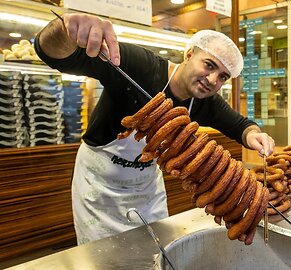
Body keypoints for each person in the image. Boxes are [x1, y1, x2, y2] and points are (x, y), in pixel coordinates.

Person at [34, 13, 275, 244]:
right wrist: (64, 31)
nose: (213, 80)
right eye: (209, 65)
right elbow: (57, 56)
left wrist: (255, 135)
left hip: (146, 186)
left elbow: (240, 126)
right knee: (103, 258)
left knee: (156, 250)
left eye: (223, 77)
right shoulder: (140, 66)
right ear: (189, 54)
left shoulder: (203, 99)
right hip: (100, 184)